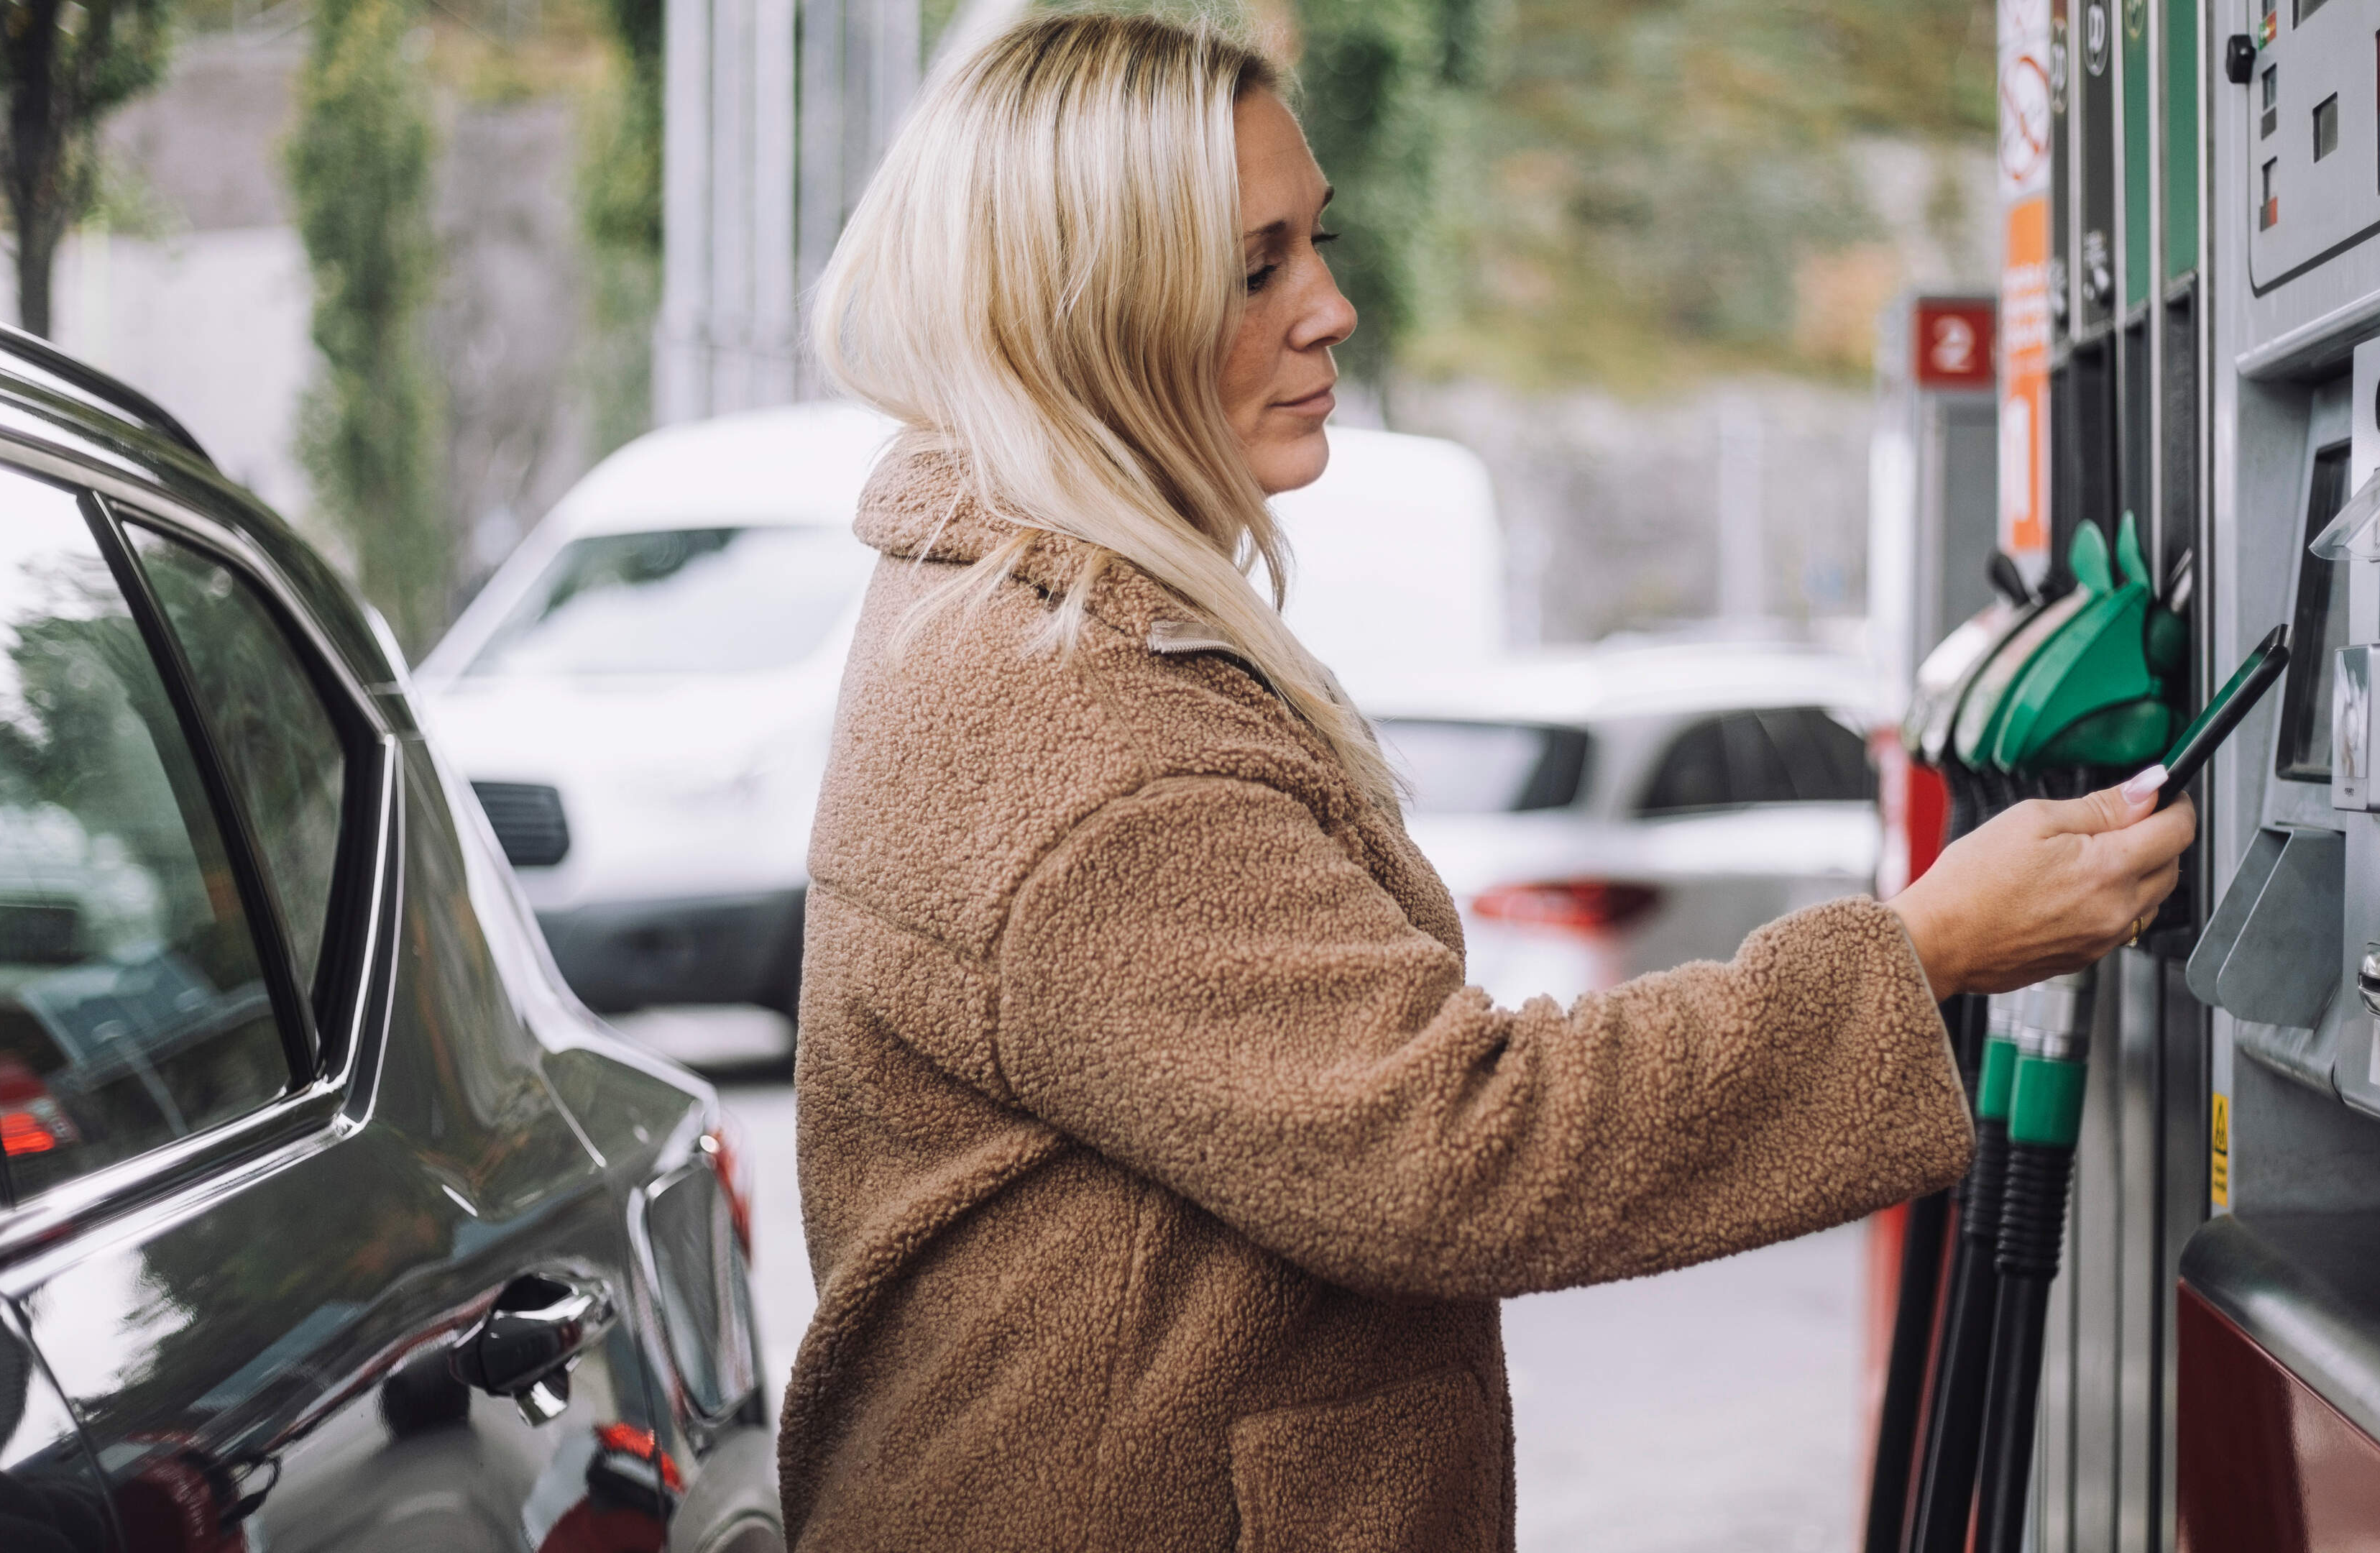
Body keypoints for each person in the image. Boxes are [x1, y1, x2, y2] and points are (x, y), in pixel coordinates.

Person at [780, 13, 2195, 1549]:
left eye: (1316, 240)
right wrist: (1920, 959)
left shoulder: (997, 619)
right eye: (1255, 266)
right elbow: (1458, 1149)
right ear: (1087, 312)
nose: (1332, 307)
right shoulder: (1077, 727)